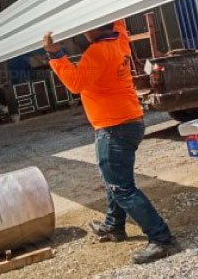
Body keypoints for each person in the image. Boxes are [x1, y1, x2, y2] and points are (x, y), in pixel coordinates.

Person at [43, 21, 179, 265]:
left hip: (114, 127)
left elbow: (75, 83)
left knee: (121, 187)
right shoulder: (119, 42)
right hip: (128, 121)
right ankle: (114, 225)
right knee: (113, 181)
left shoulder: (97, 51)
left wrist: (55, 53)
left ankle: (162, 239)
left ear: (92, 27)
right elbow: (120, 24)